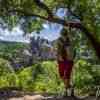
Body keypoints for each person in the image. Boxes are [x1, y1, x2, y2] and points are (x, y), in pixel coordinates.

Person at [57, 28, 74, 96]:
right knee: (61, 75)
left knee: (67, 75)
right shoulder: (59, 40)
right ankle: (69, 87)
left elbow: (72, 49)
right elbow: (58, 49)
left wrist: (71, 57)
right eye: (63, 33)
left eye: (64, 33)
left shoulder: (70, 40)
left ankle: (67, 90)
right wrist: (58, 57)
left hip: (69, 59)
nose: (63, 34)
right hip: (61, 59)